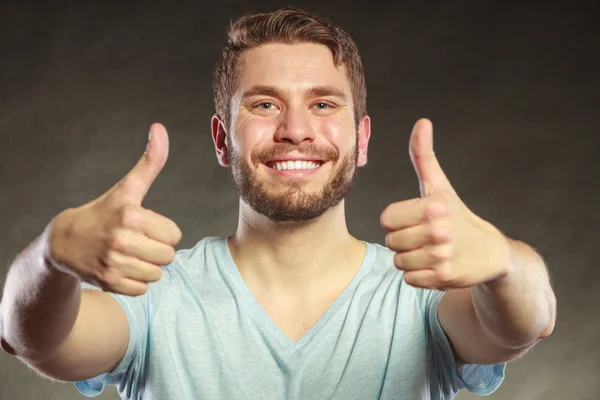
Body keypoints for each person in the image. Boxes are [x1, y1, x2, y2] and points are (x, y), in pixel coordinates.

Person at [0, 7, 556, 400]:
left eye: (322, 103)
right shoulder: (157, 297)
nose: (295, 130)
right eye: (264, 104)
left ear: (362, 139)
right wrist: (51, 254)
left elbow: (524, 322)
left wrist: (507, 262)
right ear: (223, 140)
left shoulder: (421, 295)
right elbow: (39, 342)